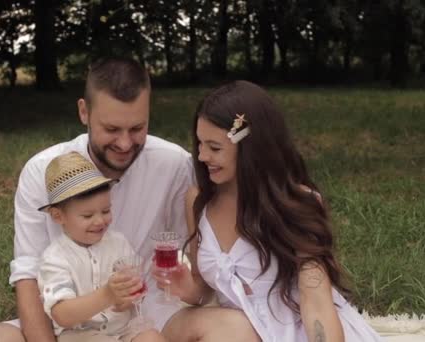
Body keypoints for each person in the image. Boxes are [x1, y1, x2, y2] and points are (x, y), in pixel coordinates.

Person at [0, 58, 255, 342]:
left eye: (137, 128)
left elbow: (204, 260)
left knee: (236, 330)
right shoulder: (44, 170)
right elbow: (28, 278)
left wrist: (192, 289)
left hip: (147, 313)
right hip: (68, 319)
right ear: (84, 112)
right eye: (111, 129)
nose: (125, 144)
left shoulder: (174, 165)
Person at [159, 80, 383, 341]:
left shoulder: (298, 204)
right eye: (199, 143)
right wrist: (188, 289)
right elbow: (204, 289)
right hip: (239, 331)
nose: (201, 156)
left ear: (249, 148)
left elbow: (316, 301)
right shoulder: (198, 202)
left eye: (215, 147)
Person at [35, 151, 165, 342]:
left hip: (123, 329)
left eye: (106, 211)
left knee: (152, 337)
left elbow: (135, 288)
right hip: (80, 334)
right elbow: (62, 315)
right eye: (87, 216)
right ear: (58, 216)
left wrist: (127, 299)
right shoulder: (55, 259)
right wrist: (106, 295)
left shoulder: (118, 243)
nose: (100, 221)